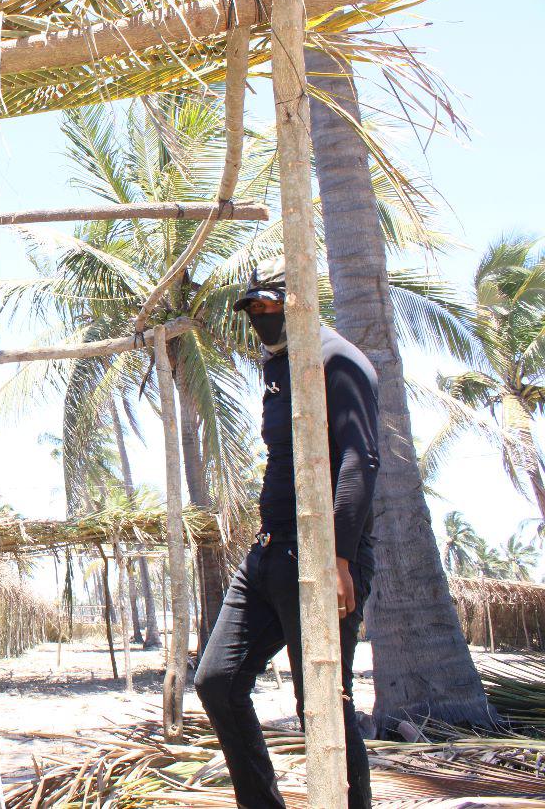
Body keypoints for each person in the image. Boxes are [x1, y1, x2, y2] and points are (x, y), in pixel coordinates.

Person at [194, 261, 379, 809]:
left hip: (323, 559)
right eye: (253, 309)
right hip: (270, 551)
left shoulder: (337, 359)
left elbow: (358, 460)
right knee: (217, 682)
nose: (261, 317)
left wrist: (340, 560)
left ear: (300, 302)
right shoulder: (278, 366)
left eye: (270, 305)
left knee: (322, 702)